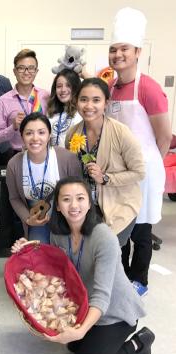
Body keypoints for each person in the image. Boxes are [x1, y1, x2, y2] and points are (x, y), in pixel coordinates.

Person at [12, 177, 155, 354]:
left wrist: (80, 331)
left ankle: (138, 345)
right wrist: (27, 249)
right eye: (66, 199)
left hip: (116, 313)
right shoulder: (58, 233)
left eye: (80, 198)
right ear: (57, 206)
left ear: (89, 203)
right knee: (74, 346)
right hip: (86, 306)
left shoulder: (104, 239)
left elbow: (103, 295)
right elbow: (53, 265)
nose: (74, 205)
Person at [106, 7, 172, 296]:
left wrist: (148, 166)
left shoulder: (149, 88)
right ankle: (120, 276)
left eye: (124, 49)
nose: (118, 54)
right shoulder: (110, 88)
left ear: (137, 52)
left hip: (144, 172)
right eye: (114, 49)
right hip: (117, 172)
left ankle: (139, 280)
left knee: (141, 229)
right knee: (118, 227)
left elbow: (164, 136)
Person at [66, 78, 145, 247]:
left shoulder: (121, 132)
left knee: (108, 253)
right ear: (76, 102)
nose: (89, 106)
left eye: (96, 100)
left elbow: (139, 172)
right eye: (83, 99)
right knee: (86, 255)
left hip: (118, 205)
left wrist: (106, 178)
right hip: (86, 208)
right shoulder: (73, 133)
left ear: (106, 103)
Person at [6, 112, 81, 244]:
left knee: (64, 256)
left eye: (41, 132)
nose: (35, 138)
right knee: (39, 254)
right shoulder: (14, 164)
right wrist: (28, 219)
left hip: (65, 217)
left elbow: (80, 192)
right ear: (22, 136)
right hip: (36, 219)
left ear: (49, 134)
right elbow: (14, 198)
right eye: (29, 133)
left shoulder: (67, 158)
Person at [0, 49, 49, 153]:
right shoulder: (3, 101)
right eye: (21, 68)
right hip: (17, 155)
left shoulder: (46, 96)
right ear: (14, 71)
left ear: (36, 71)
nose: (26, 72)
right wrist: (13, 127)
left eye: (31, 68)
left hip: (43, 153)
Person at [47, 69, 82, 147]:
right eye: (59, 86)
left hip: (72, 158)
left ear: (76, 87)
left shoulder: (81, 112)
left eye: (68, 85)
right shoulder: (51, 113)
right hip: (53, 157)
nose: (63, 90)